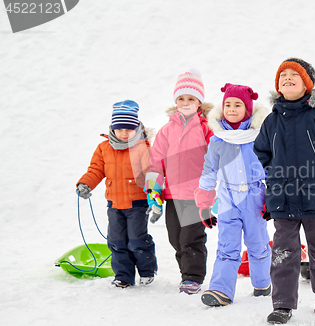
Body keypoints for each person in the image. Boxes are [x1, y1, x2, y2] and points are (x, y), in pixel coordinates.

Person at [253, 58, 315, 324]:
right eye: (283, 76)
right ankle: (282, 303)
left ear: (307, 84)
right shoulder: (271, 122)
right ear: (278, 85)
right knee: (284, 251)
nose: (288, 78)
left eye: (295, 75)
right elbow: (261, 153)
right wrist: (273, 173)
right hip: (282, 198)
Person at [195, 83, 271, 307]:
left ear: (247, 110)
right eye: (227, 104)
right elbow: (209, 172)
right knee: (227, 246)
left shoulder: (259, 137)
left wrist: (273, 200)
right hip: (228, 198)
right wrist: (205, 204)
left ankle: (262, 283)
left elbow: (272, 170)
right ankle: (220, 290)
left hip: (255, 197)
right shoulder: (217, 140)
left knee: (257, 245)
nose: (231, 108)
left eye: (237, 105)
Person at [144, 68, 213, 294]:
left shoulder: (206, 128)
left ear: (199, 102)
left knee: (191, 237)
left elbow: (215, 158)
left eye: (191, 98)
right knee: (175, 237)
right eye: (181, 98)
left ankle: (193, 277)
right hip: (172, 194)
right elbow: (156, 162)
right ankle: (186, 273)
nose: (185, 102)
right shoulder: (166, 130)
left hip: (196, 195)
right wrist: (154, 191)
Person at [76, 100, 157, 288]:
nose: (123, 133)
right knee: (116, 241)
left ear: (136, 128)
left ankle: (146, 271)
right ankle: (123, 276)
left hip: (137, 203)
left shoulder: (143, 147)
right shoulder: (104, 148)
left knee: (137, 240)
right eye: (120, 129)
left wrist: (154, 190)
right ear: (113, 129)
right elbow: (96, 169)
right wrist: (85, 183)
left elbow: (152, 171)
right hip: (114, 204)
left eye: (128, 129)